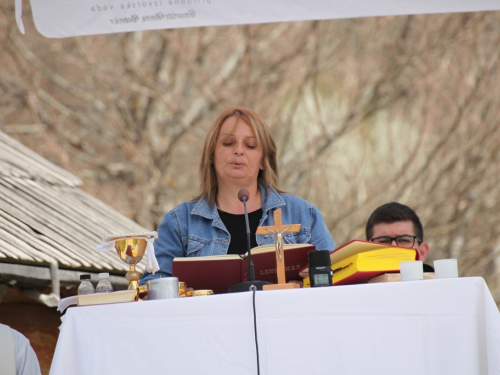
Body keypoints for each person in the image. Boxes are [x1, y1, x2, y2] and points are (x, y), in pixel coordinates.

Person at [140, 107, 335, 284]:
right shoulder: (180, 222)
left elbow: (340, 277)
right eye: (228, 143)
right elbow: (152, 287)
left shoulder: (303, 214)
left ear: (263, 161)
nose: (239, 150)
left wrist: (311, 282)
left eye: (250, 145)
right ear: (211, 156)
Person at [365, 202, 433, 271]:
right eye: (383, 241)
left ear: (422, 252)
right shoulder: (355, 281)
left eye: (404, 240)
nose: (394, 247)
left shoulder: (442, 282)